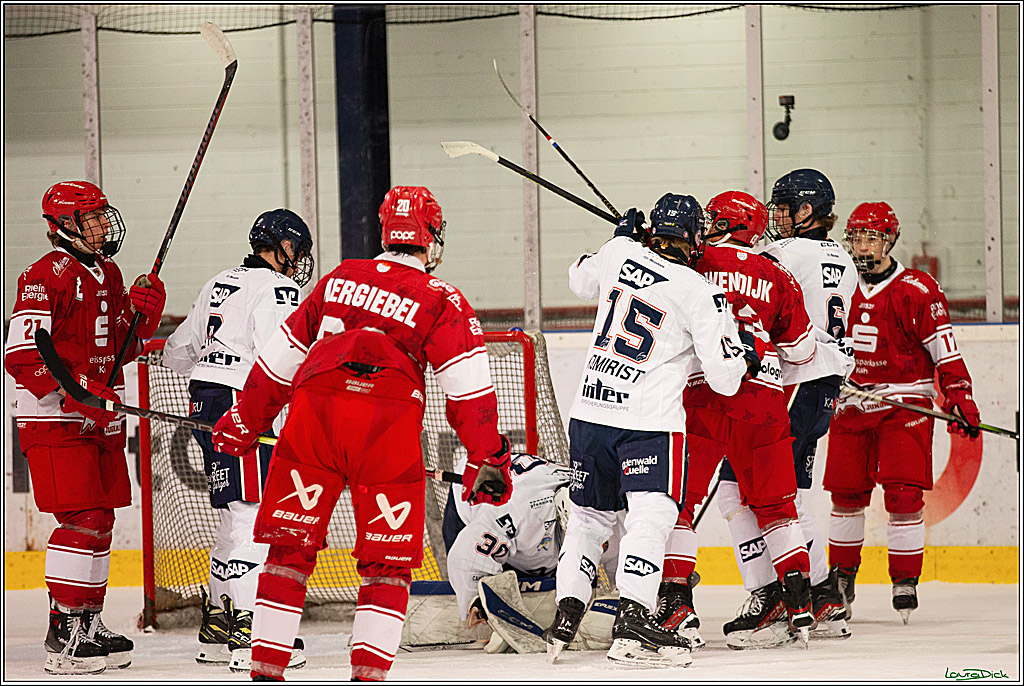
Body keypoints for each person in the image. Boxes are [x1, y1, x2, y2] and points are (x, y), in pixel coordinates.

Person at [210, 185, 513, 681]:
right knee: (387, 565)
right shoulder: (442, 298)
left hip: (315, 415)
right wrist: (490, 459)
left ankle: (265, 672)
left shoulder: (339, 277)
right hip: (386, 426)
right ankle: (367, 677)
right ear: (430, 238)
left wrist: (244, 421)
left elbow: (278, 361)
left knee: (288, 551)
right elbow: (469, 397)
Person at [542, 194, 759, 668]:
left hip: (591, 413)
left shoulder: (620, 254)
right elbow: (723, 381)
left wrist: (618, 237)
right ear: (694, 238)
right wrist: (745, 355)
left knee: (587, 517)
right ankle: (635, 621)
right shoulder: (699, 290)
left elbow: (579, 278)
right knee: (651, 515)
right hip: (648, 423)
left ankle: (567, 613)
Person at [4, 181, 166, 674]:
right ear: (65, 224)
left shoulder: (109, 271)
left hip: (98, 413)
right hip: (55, 417)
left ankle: (88, 623)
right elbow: (22, 353)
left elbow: (121, 348)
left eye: (101, 215)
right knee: (82, 520)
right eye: (91, 217)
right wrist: (81, 394)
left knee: (103, 521)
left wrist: (143, 318)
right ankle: (63, 633)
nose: (101, 224)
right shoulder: (44, 273)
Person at [655, 190, 819, 648]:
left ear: (724, 223)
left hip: (706, 393)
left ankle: (676, 605)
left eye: (712, 219)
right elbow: (802, 351)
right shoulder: (777, 273)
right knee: (777, 506)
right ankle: (800, 607)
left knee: (679, 502)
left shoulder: (692, 260)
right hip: (764, 400)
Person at [707, 169, 857, 643]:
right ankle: (821, 593)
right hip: (825, 387)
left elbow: (732, 269)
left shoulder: (782, 254)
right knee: (786, 496)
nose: (776, 218)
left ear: (807, 211)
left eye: (784, 208)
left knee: (740, 490)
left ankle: (769, 594)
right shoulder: (845, 259)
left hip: (790, 384)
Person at [162, 209, 314, 668]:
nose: (301, 261)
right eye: (298, 250)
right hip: (244, 403)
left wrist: (213, 377)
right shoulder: (280, 288)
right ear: (283, 247)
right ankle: (252, 634)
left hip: (205, 401)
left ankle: (219, 625)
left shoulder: (218, 281)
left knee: (234, 515)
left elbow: (177, 351)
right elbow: (281, 356)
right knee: (252, 516)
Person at [827, 201, 980, 624]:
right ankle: (841, 578)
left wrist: (959, 396)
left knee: (904, 495)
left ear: (890, 239)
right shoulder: (836, 285)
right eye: (856, 236)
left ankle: (905, 578)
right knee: (846, 496)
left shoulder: (918, 288)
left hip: (905, 401)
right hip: (851, 401)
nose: (862, 245)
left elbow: (944, 352)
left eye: (871, 237)